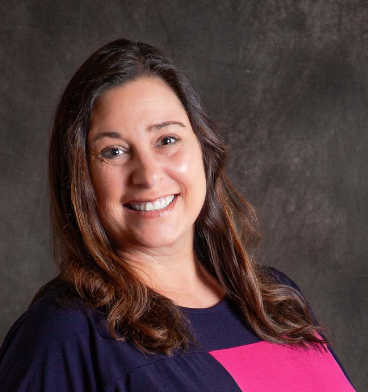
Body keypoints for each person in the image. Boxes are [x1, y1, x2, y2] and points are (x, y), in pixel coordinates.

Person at [0, 39, 355, 391]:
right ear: (80, 178)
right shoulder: (66, 333)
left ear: (203, 149)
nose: (149, 175)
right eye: (114, 151)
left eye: (167, 140)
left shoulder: (276, 302)